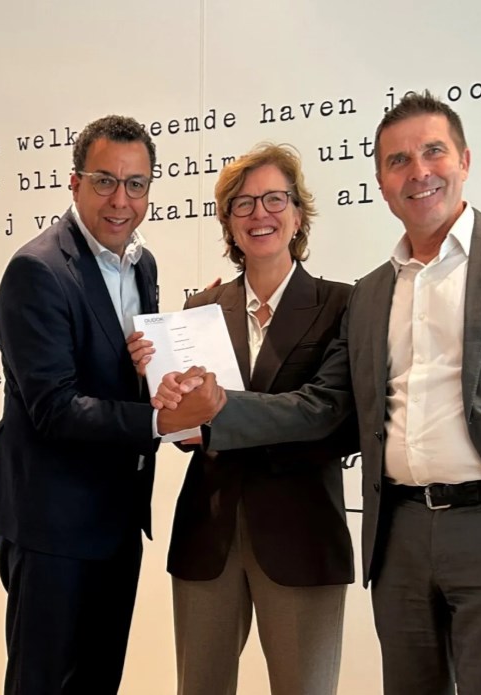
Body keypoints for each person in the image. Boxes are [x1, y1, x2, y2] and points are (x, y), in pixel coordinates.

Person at [156, 91, 481, 695]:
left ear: (465, 160)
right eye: (398, 161)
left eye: (433, 152)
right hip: (399, 533)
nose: (418, 171)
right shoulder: (375, 291)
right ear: (380, 182)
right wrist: (189, 401)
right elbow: (326, 407)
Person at [0, 114, 223, 695]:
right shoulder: (37, 270)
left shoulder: (142, 264)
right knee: (42, 683)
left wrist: (161, 376)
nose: (121, 200)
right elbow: (54, 408)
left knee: (98, 682)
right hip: (52, 522)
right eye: (105, 181)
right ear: (75, 183)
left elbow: (117, 373)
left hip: (116, 518)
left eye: (136, 184)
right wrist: (160, 419)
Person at [129, 143, 356, 695]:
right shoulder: (198, 310)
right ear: (229, 222)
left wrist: (218, 408)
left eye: (275, 199)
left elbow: (326, 413)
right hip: (208, 533)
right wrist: (155, 384)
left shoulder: (343, 304)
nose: (260, 214)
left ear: (298, 214)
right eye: (243, 204)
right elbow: (186, 433)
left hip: (302, 536)